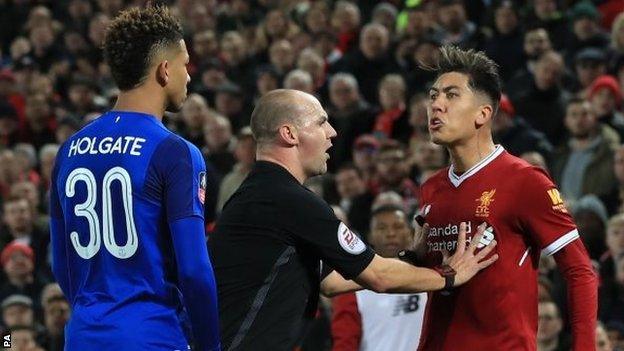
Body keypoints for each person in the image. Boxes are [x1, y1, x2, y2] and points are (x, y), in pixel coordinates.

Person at [209, 88, 499, 351]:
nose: (332, 132)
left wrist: (409, 260)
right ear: (290, 134)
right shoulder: (289, 201)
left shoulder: (260, 195)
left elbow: (331, 282)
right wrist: (450, 275)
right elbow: (378, 276)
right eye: (321, 122)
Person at [48, 6, 220, 351]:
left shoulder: (69, 149)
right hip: (151, 334)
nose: (189, 75)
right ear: (165, 70)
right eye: (185, 64)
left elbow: (61, 262)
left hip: (83, 335)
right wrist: (211, 345)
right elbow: (194, 270)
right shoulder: (175, 151)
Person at [416, 46, 597, 350]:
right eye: (434, 95)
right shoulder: (431, 188)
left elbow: (580, 272)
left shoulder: (524, 180)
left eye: (451, 95)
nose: (436, 105)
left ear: (483, 114)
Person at [331, 205, 427, 351]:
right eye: (381, 228)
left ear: (410, 232)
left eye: (398, 226)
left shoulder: (429, 276)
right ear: (370, 236)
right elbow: (344, 343)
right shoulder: (352, 286)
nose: (390, 233)